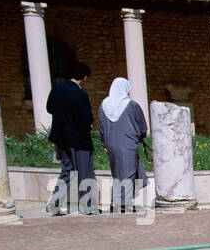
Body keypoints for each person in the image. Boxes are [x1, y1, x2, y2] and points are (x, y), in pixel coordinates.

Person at [46, 62, 96, 215]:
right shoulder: (80, 95)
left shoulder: (57, 89)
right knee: (84, 172)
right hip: (79, 139)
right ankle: (87, 207)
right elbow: (87, 117)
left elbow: (49, 108)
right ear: (85, 77)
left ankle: (54, 204)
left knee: (66, 171)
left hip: (61, 138)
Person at [98, 77, 148, 212]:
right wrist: (141, 136)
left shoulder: (104, 105)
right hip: (128, 143)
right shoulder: (131, 105)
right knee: (128, 173)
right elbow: (142, 125)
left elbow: (101, 127)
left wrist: (104, 144)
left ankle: (117, 202)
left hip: (111, 144)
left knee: (117, 173)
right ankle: (120, 204)